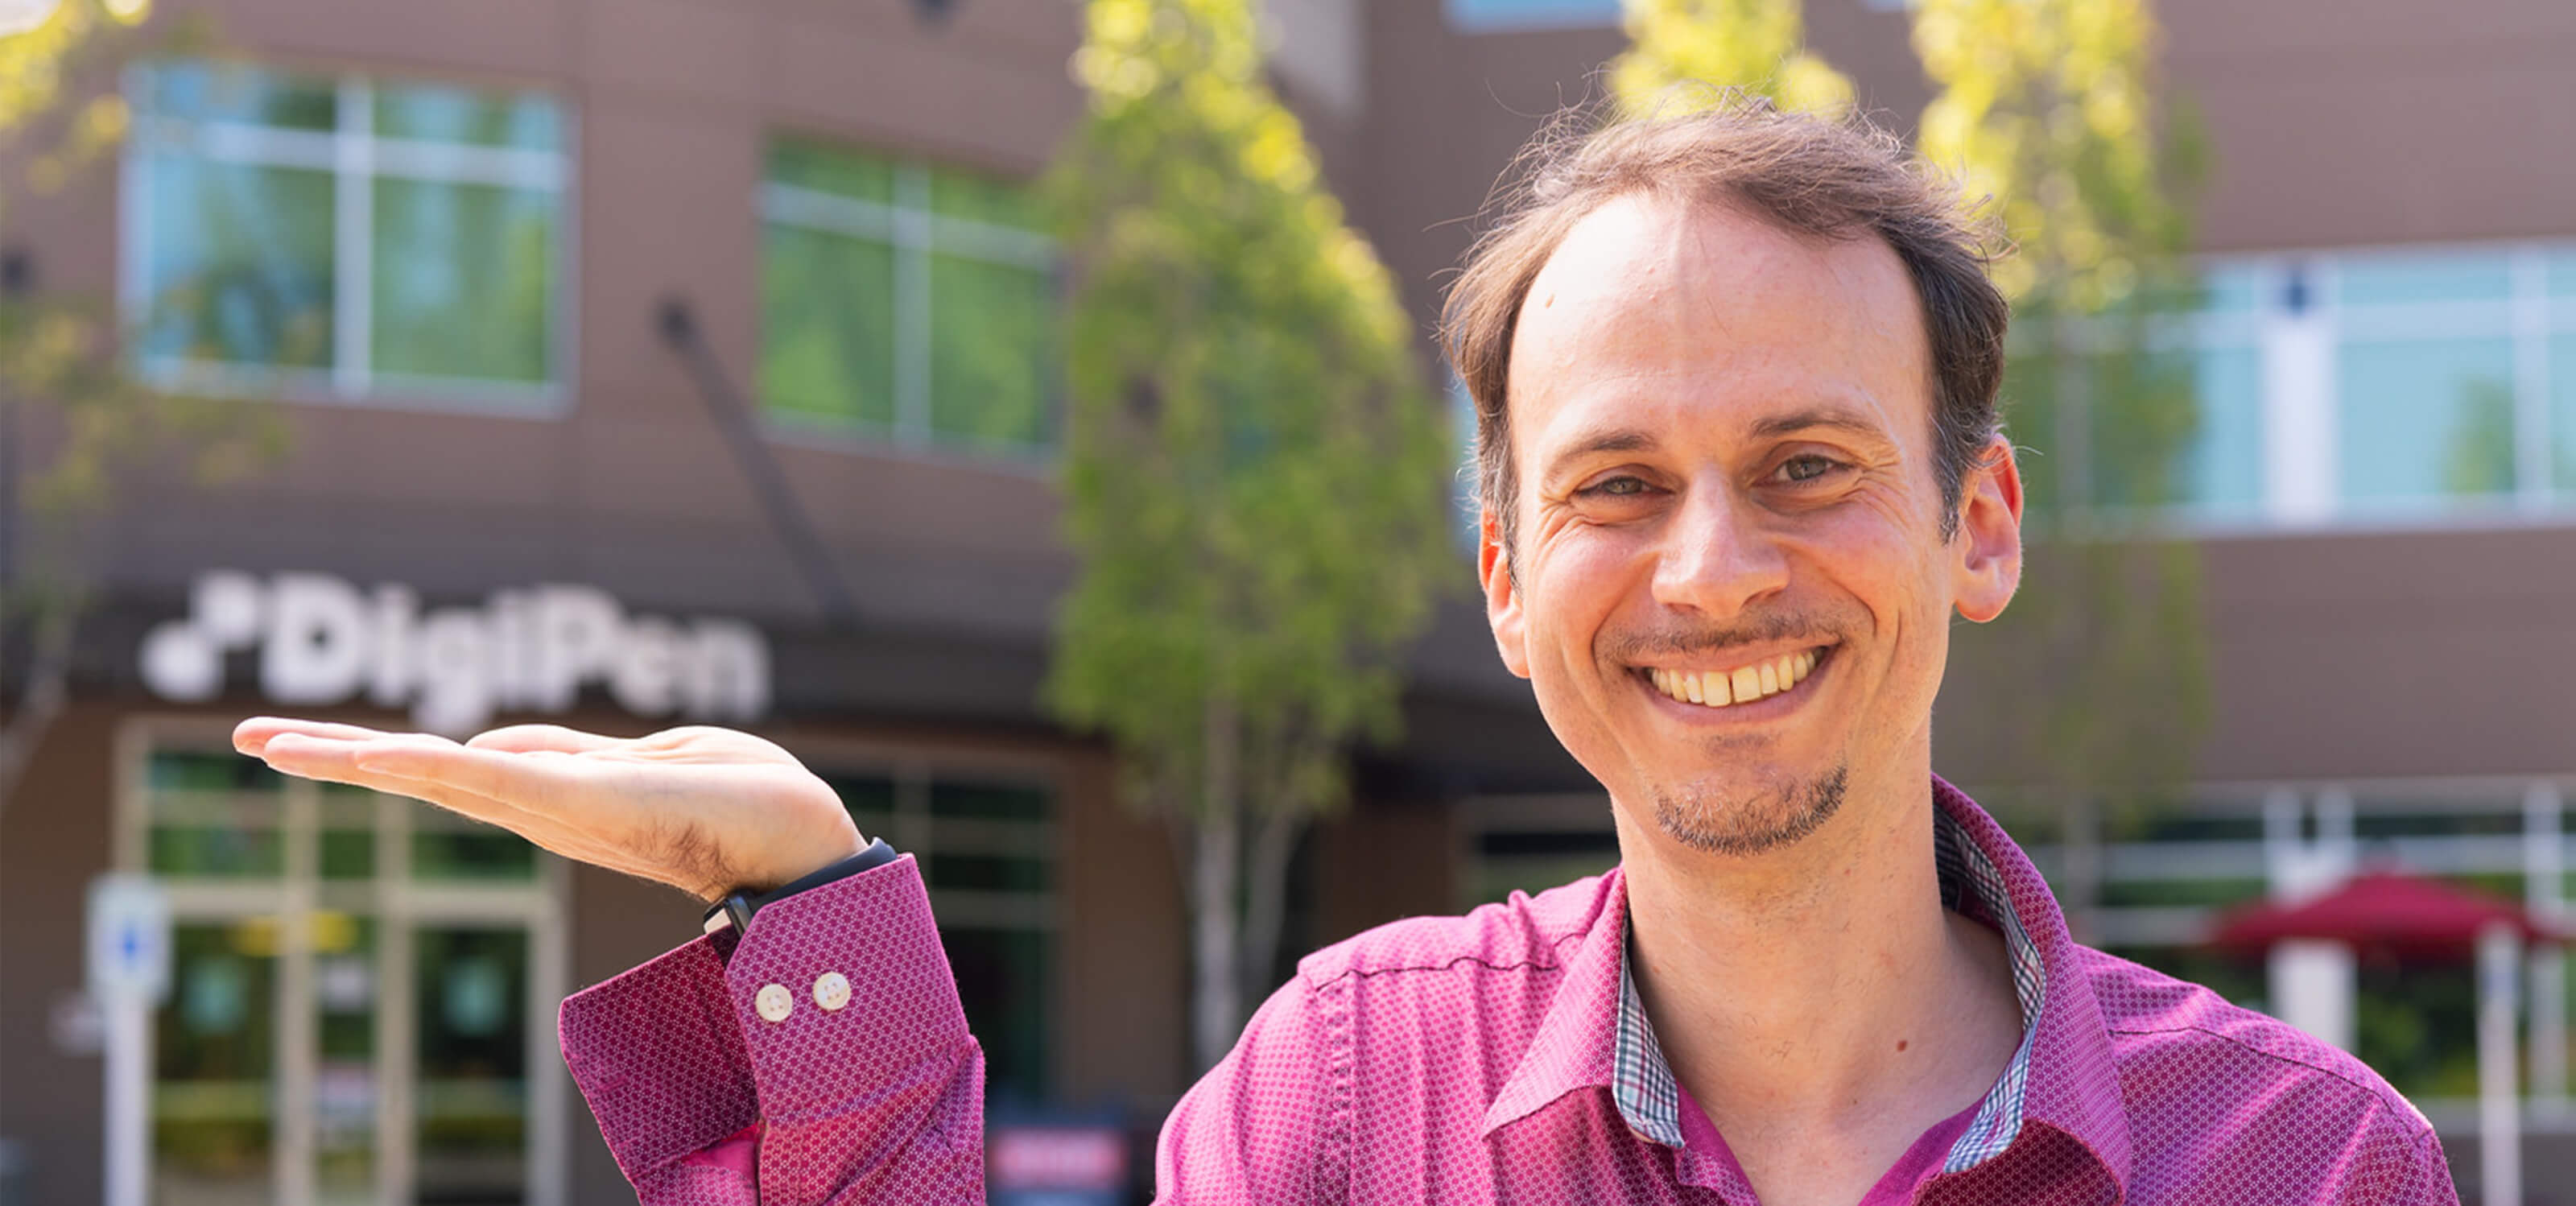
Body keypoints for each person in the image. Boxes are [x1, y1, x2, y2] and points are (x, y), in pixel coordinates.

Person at [236, 101, 2458, 1205]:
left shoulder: (2308, 1163)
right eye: (1612, 487)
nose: (1707, 572)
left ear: (1979, 522)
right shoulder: (1340, 1103)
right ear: (1502, 570)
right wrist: (815, 895)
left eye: (1805, 464)